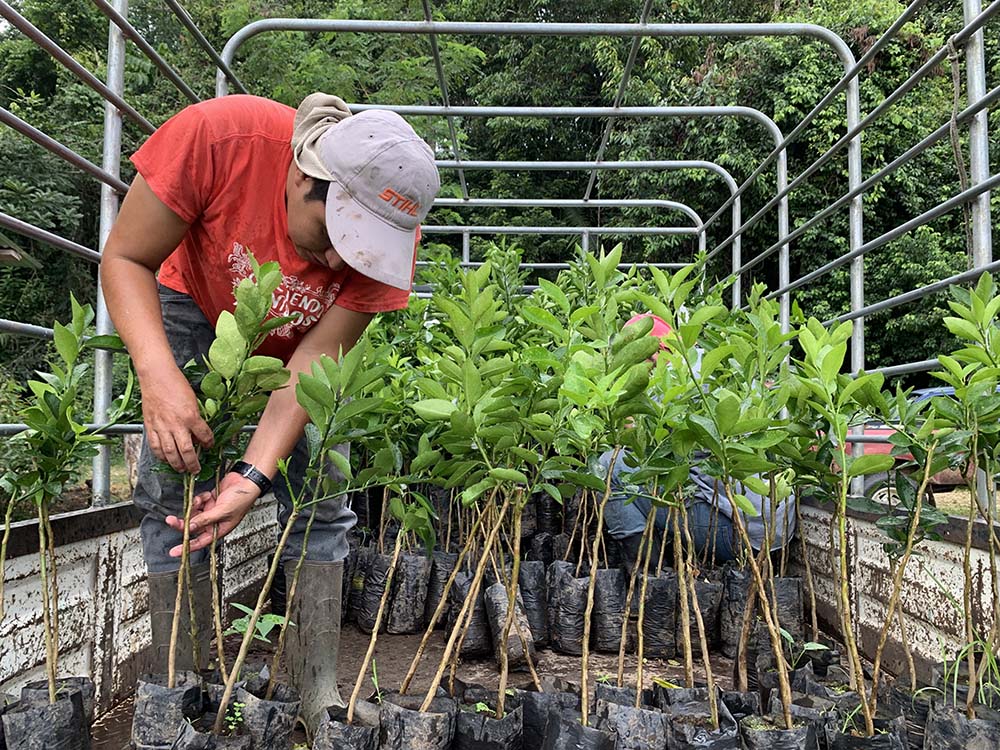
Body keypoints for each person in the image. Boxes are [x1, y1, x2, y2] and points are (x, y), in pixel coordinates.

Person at [100, 92, 440, 730]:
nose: (340, 263)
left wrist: (252, 477)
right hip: (188, 299)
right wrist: (158, 376)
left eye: (360, 250)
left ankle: (314, 691)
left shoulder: (393, 223)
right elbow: (125, 257)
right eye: (335, 236)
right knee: (173, 484)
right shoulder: (219, 139)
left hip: (296, 342)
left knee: (322, 493)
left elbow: (311, 366)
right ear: (305, 177)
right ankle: (185, 686)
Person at [599, 314, 796, 569]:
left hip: (737, 531)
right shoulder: (709, 368)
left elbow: (638, 452)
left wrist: (625, 407)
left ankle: (650, 577)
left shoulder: (671, 381)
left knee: (609, 467)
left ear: (653, 352)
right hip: (773, 528)